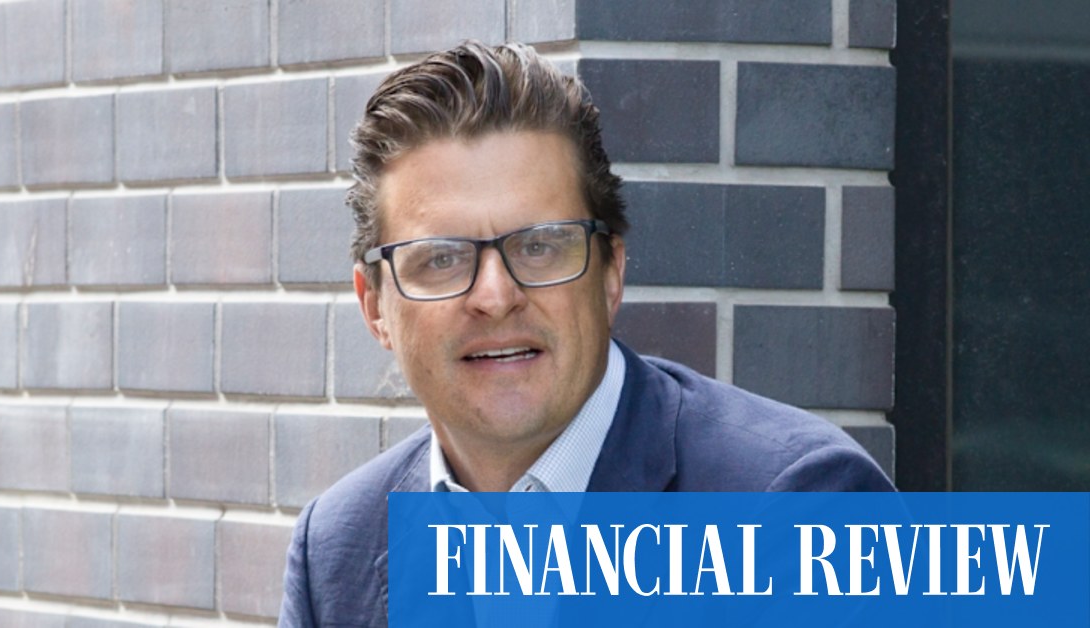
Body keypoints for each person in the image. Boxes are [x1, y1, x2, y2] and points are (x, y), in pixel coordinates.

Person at [278, 40, 894, 627]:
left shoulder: (801, 511)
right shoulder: (334, 549)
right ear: (374, 307)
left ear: (611, 274)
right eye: (441, 258)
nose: (495, 297)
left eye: (540, 246)